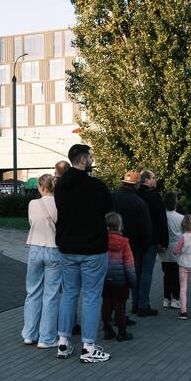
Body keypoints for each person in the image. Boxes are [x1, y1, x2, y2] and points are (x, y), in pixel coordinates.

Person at [55, 144, 112, 363]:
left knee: (68, 294)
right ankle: (88, 347)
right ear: (82, 160)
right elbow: (108, 207)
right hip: (93, 250)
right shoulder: (95, 185)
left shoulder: (61, 186)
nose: (92, 160)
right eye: (90, 157)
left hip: (67, 249)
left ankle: (63, 342)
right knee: (91, 297)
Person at [22, 174, 62, 349]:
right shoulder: (60, 204)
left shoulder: (33, 204)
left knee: (32, 292)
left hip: (35, 248)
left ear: (41, 187)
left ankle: (29, 334)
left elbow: (32, 222)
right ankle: (46, 337)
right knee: (51, 294)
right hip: (54, 249)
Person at [110, 171, 152, 320]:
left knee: (111, 282)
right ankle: (121, 315)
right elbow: (145, 228)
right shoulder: (139, 202)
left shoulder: (112, 198)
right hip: (131, 248)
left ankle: (111, 313)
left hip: (110, 246)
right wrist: (145, 246)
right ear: (137, 184)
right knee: (125, 282)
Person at [135, 170, 169, 316]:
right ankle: (143, 304)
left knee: (136, 271)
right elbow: (162, 220)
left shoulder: (135, 194)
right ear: (147, 180)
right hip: (151, 239)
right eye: (154, 178)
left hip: (135, 240)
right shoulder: (154, 196)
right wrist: (164, 241)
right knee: (147, 272)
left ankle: (135, 303)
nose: (156, 181)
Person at [102, 211, 136, 341]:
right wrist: (132, 282)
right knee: (119, 306)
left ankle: (107, 328)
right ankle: (122, 331)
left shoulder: (101, 241)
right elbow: (129, 264)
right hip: (121, 280)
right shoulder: (124, 243)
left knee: (106, 303)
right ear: (119, 226)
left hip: (105, 278)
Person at [160, 192, 183, 308]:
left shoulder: (161, 216)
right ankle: (175, 298)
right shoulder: (180, 217)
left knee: (166, 274)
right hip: (176, 248)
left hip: (164, 248)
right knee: (176, 275)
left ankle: (166, 298)